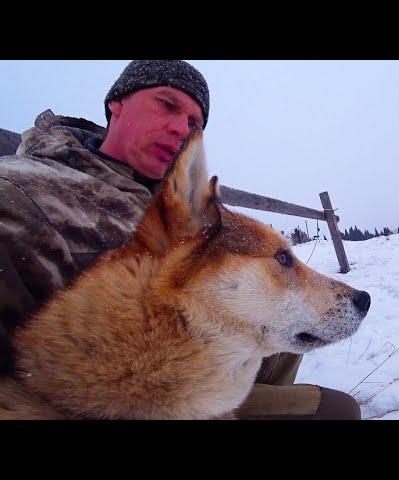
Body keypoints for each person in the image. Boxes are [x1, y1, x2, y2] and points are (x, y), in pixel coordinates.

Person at [0, 60, 360, 420]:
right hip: (124, 398)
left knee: (290, 333)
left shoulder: (180, 199)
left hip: (201, 373)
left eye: (194, 124)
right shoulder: (22, 192)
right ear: (116, 104)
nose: (180, 130)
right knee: (337, 410)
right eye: (167, 105)